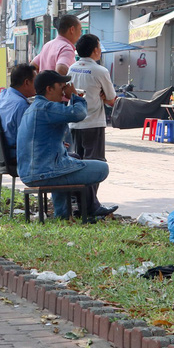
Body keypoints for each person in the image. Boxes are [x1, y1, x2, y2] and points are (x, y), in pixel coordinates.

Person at [16, 70, 109, 220]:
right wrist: (75, 96)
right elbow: (78, 114)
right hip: (43, 171)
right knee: (102, 168)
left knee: (70, 161)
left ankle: (63, 215)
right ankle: (79, 211)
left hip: (30, 171)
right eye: (61, 86)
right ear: (49, 89)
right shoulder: (46, 108)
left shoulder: (34, 108)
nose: (64, 89)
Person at [68, 34, 118, 217]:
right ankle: (90, 207)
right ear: (95, 50)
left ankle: (82, 205)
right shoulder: (100, 71)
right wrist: (104, 97)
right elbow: (112, 100)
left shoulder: (71, 69)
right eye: (99, 47)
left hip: (74, 123)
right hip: (93, 123)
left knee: (78, 163)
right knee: (94, 165)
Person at [0, 64, 37, 161]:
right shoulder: (21, 105)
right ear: (27, 82)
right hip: (17, 154)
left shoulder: (4, 94)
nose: (37, 85)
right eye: (35, 81)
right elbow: (28, 139)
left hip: (3, 152)